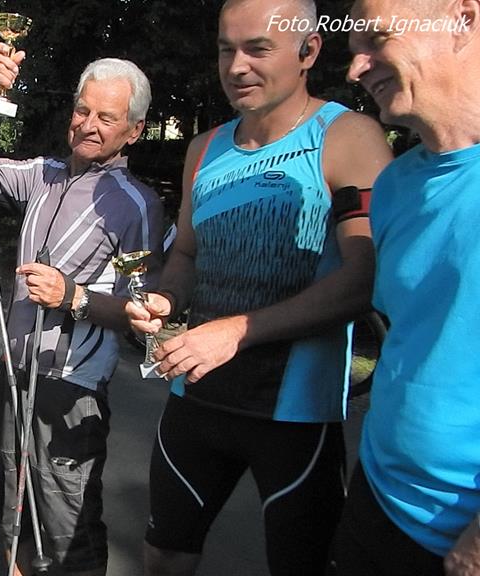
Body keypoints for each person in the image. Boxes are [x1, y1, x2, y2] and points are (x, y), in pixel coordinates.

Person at [125, 0, 393, 574]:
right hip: (197, 399)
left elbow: (363, 278)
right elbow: (186, 255)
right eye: (227, 49)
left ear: (309, 51)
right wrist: (166, 299)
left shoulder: (349, 137)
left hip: (294, 416)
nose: (237, 66)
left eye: (258, 49)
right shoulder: (204, 149)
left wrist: (238, 332)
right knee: (163, 556)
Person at [0, 49, 165, 575]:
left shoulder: (137, 204)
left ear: (134, 131)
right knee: (11, 502)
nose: (88, 125)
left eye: (106, 117)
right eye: (82, 110)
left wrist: (73, 297)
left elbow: (145, 317)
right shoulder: (42, 175)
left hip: (71, 385)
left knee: (67, 522)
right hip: (14, 368)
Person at [330, 1, 480, 574]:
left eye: (376, 39)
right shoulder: (395, 184)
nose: (356, 68)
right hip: (378, 495)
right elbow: (410, 338)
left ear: (463, 20)